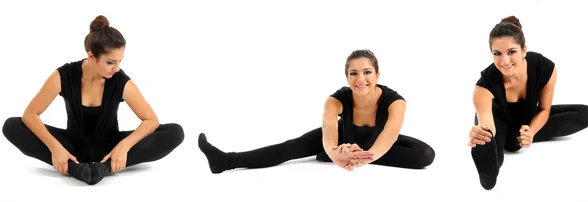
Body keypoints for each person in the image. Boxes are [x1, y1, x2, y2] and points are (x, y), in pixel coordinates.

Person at [2, 15, 185, 185]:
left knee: (175, 132)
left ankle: (104, 168)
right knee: (11, 126)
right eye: (110, 62)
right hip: (71, 147)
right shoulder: (64, 75)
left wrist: (123, 147)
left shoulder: (120, 80)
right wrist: (55, 148)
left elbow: (151, 120)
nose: (116, 68)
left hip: (109, 149)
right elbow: (30, 114)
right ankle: (74, 169)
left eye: (120, 61)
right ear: (91, 56)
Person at [198, 49, 435, 174]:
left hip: (378, 142)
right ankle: (226, 161)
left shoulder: (395, 102)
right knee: (291, 147)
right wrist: (334, 153)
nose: (360, 79)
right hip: (345, 137)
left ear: (377, 75)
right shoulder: (335, 100)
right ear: (347, 77)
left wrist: (361, 158)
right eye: (353, 73)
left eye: (367, 72)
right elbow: (330, 129)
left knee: (425, 155)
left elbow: (389, 135)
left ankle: (341, 154)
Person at [468, 16, 588, 190]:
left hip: (527, 120)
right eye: (497, 53)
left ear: (524, 50)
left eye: (511, 52)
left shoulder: (545, 68)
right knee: (490, 139)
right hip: (499, 121)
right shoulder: (483, 86)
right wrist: (483, 133)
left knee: (587, 113)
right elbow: (487, 122)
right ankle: (492, 161)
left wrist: (531, 132)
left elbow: (544, 110)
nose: (504, 61)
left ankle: (516, 140)